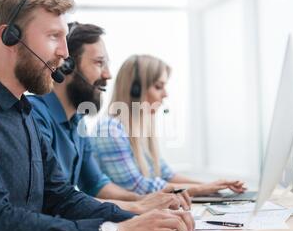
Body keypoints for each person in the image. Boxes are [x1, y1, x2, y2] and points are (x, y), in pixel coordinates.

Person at [0, 0, 193, 231]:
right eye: (53, 36)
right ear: (9, 37)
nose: (64, 53)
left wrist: (140, 218)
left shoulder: (24, 113)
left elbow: (62, 198)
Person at [28, 22, 191, 214]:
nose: (108, 74)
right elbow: (59, 199)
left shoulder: (77, 122)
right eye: (99, 63)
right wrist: (137, 207)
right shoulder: (34, 117)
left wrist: (145, 200)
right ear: (66, 66)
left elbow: (96, 184)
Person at [91, 54, 247, 196]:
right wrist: (200, 190)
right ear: (135, 90)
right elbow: (136, 187)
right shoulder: (110, 129)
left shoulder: (141, 129)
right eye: (158, 87)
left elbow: (166, 174)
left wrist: (214, 186)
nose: (165, 94)